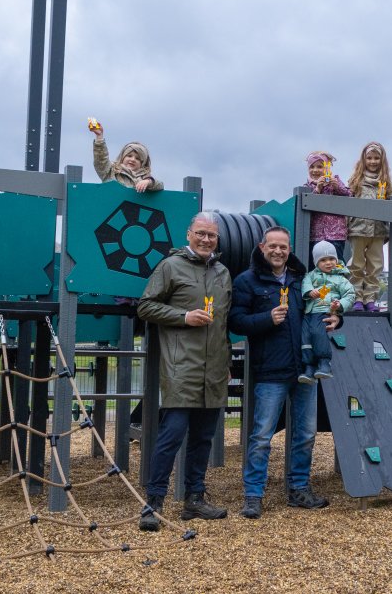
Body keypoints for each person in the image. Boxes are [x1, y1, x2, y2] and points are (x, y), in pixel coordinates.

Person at [228, 227, 341, 520]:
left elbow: (322, 305)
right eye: (273, 246)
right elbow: (236, 321)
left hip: (305, 368)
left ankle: (299, 489)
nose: (278, 251)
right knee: (262, 436)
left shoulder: (301, 281)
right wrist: (266, 318)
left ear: (290, 249)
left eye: (284, 247)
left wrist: (335, 319)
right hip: (270, 370)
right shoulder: (247, 281)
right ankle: (253, 495)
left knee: (305, 434)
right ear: (262, 247)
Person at [135, 212, 229, 530]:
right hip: (181, 367)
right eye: (200, 233)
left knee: (203, 439)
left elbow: (225, 326)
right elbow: (145, 306)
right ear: (189, 234)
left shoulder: (223, 273)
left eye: (211, 236)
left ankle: (194, 500)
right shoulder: (170, 267)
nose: (206, 240)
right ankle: (153, 503)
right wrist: (183, 316)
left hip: (214, 369)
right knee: (171, 436)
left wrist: (226, 364)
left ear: (217, 239)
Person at [346, 141, 392, 311]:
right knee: (357, 264)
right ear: (364, 159)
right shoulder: (356, 181)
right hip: (358, 227)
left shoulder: (386, 182)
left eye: (376, 158)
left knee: (375, 266)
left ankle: (370, 298)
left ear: (382, 160)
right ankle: (357, 296)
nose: (373, 161)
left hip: (378, 229)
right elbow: (347, 202)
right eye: (369, 158)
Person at [299, 240, 355, 383]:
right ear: (316, 262)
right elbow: (305, 283)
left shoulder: (340, 279)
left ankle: (324, 362)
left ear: (337, 260)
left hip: (325, 311)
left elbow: (350, 294)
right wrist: (309, 292)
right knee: (305, 337)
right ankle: (309, 367)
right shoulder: (311, 275)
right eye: (323, 260)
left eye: (331, 259)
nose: (328, 262)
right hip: (309, 311)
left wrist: (340, 305)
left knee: (318, 334)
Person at [89, 117, 163, 192]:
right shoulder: (111, 172)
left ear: (142, 163)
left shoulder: (144, 177)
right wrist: (99, 138)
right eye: (129, 156)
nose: (132, 159)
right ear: (122, 157)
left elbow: (160, 185)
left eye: (137, 158)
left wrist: (148, 182)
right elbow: (101, 160)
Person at [304, 151, 351, 264]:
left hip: (336, 234)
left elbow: (349, 195)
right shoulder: (307, 186)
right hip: (315, 234)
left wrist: (337, 187)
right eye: (312, 167)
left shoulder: (336, 181)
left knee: (336, 262)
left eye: (320, 166)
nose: (315, 170)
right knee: (316, 263)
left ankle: (338, 281)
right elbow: (306, 204)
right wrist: (318, 189)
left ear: (327, 168)